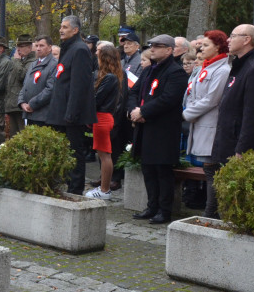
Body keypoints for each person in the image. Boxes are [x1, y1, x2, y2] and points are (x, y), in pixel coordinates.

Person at [209, 24, 254, 218]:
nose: (228, 40)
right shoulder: (240, 65)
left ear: (247, 40)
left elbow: (253, 115)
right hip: (227, 141)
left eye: (233, 35)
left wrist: (242, 150)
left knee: (237, 204)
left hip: (238, 146)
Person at [129, 35, 188, 223]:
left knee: (162, 170)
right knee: (147, 168)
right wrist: (133, 110)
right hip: (145, 127)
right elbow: (133, 92)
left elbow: (168, 99)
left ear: (169, 50)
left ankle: (164, 210)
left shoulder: (175, 72)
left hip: (162, 129)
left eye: (157, 46)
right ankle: (151, 206)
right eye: (151, 46)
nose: (152, 49)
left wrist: (143, 111)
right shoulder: (149, 71)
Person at [181, 31, 231, 215]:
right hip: (200, 122)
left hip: (211, 125)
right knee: (209, 169)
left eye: (206, 45)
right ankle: (211, 211)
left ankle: (211, 213)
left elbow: (212, 99)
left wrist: (186, 114)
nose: (201, 48)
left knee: (212, 170)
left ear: (218, 47)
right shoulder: (207, 67)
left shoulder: (222, 70)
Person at [48, 16, 97, 195]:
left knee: (75, 153)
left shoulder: (80, 50)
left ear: (75, 30)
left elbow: (79, 85)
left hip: (71, 115)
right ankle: (67, 184)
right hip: (61, 111)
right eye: (60, 26)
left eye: (65, 27)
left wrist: (72, 113)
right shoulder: (67, 48)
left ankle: (75, 189)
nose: (61, 30)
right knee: (64, 153)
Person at [86, 44, 124, 200]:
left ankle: (104, 189)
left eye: (98, 52)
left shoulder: (110, 78)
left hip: (102, 117)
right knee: (103, 154)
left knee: (105, 155)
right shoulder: (107, 76)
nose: (96, 54)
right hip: (100, 117)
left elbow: (97, 99)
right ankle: (104, 188)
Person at [18, 36, 59, 126]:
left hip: (43, 114)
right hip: (29, 113)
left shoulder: (54, 64)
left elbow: (50, 89)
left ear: (49, 48)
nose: (38, 48)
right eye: (36, 46)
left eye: (41, 46)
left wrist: (32, 104)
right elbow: (25, 85)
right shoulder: (33, 64)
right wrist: (22, 102)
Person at [5, 35, 35, 139]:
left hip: (22, 105)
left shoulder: (32, 61)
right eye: (18, 46)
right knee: (14, 136)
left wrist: (16, 60)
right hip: (13, 104)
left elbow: (22, 76)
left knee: (22, 135)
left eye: (22, 46)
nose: (18, 49)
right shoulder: (20, 60)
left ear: (30, 47)